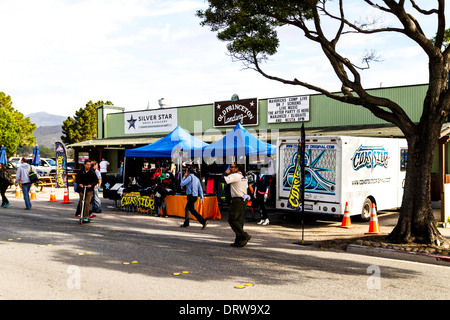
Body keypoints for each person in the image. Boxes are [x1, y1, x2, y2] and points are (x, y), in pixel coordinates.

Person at [224, 163, 251, 247]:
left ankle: (244, 235)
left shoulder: (235, 176)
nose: (230, 169)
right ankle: (238, 241)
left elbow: (224, 179)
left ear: (237, 168)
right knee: (239, 221)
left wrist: (225, 173)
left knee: (232, 219)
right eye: (230, 167)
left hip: (237, 199)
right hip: (244, 199)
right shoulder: (243, 176)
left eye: (232, 167)